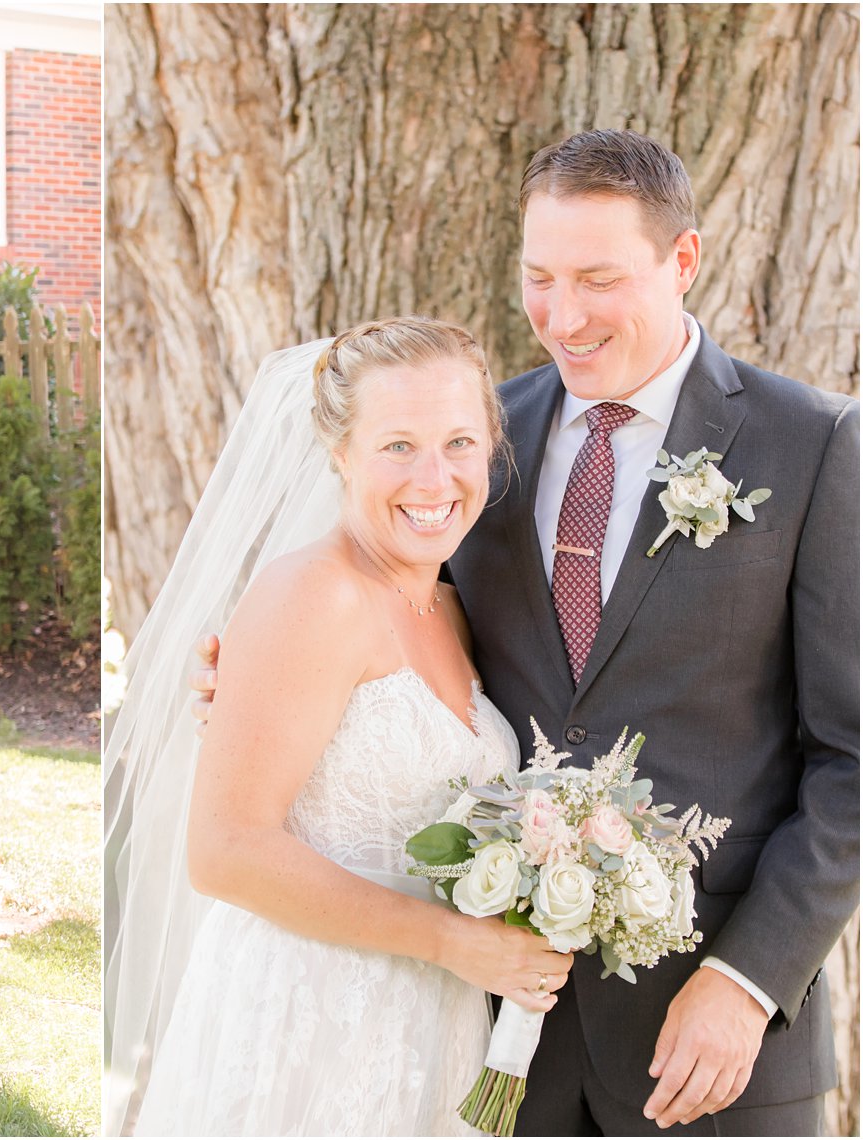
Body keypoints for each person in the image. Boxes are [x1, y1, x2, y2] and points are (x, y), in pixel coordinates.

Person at [190, 130, 859, 1135]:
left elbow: (849, 756)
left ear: (681, 260)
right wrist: (237, 670)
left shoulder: (810, 445)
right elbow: (387, 629)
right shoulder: (474, 446)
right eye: (537, 276)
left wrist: (747, 978)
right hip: (492, 1048)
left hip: (712, 1049)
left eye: (596, 277)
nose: (562, 314)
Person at [105, 317, 573, 1136]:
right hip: (307, 1022)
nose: (434, 478)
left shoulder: (452, 609)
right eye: (397, 445)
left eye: (460, 441)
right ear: (338, 451)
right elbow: (225, 851)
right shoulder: (312, 595)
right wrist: (452, 943)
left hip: (428, 1028)